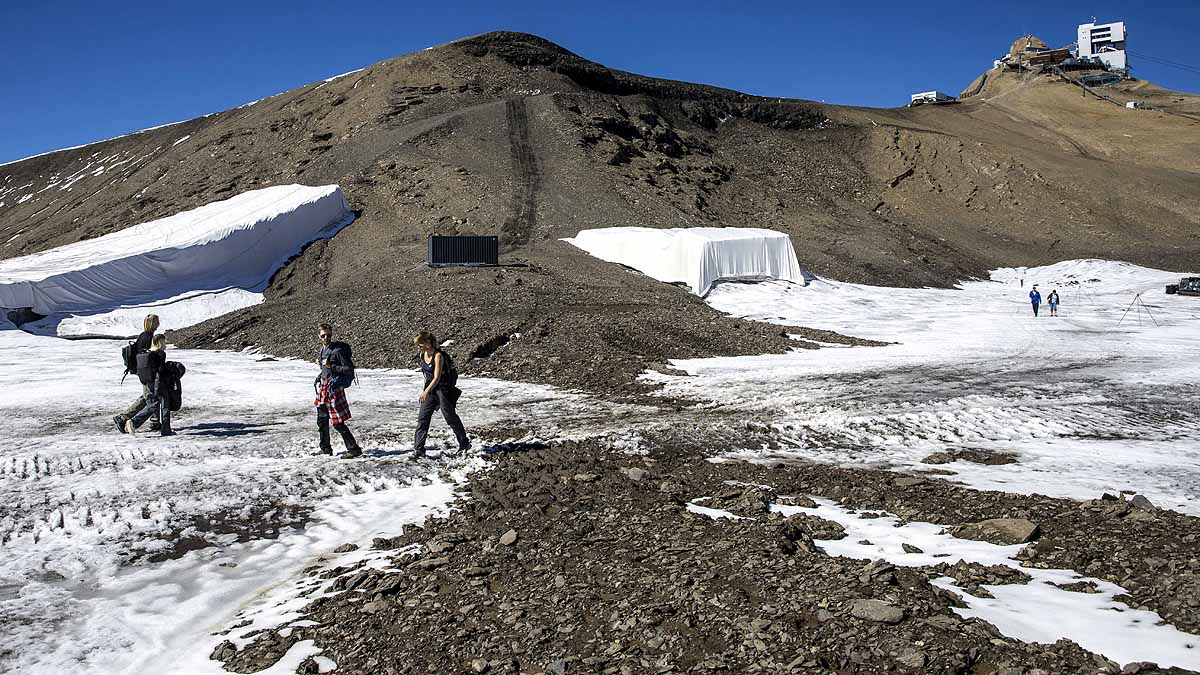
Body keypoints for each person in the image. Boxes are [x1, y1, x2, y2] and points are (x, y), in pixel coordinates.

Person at [412, 331, 470, 459]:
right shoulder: (422, 355)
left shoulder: (438, 355)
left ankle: (464, 443)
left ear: (428, 343)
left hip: (443, 390)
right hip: (430, 390)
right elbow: (427, 376)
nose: (418, 347)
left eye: (420, 344)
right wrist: (427, 390)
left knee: (450, 417)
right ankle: (419, 449)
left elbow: (436, 377)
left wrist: (426, 392)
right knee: (423, 418)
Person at [314, 323, 362, 459]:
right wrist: (321, 375)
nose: (326, 338)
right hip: (324, 388)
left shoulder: (338, 351)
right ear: (319, 336)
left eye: (328, 335)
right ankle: (325, 449)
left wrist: (332, 366)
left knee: (337, 422)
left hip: (333, 389)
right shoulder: (322, 350)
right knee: (322, 420)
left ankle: (354, 449)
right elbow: (326, 368)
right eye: (323, 335)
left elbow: (349, 369)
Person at [115, 314, 161, 433]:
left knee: (147, 396)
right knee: (152, 397)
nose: (159, 323)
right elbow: (147, 356)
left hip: (142, 371)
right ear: (153, 323)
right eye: (157, 321)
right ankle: (129, 421)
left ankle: (152, 421)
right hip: (147, 372)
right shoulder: (149, 338)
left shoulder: (143, 335)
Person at [125, 334, 175, 436]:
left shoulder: (148, 352)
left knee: (153, 404)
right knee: (164, 404)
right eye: (164, 341)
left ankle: (133, 422)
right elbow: (160, 369)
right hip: (158, 382)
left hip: (147, 382)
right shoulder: (160, 353)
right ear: (160, 342)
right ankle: (165, 430)